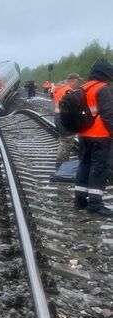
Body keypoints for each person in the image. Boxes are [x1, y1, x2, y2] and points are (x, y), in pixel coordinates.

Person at [75, 58, 113, 216]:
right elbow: (109, 115)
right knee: (99, 168)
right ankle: (95, 204)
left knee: (84, 165)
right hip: (101, 135)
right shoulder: (103, 89)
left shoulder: (84, 87)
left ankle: (80, 200)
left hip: (84, 135)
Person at [53, 73, 83, 167]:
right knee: (67, 142)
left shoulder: (60, 89)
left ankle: (61, 164)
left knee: (64, 141)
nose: (79, 84)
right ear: (73, 81)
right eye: (78, 81)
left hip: (59, 116)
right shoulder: (68, 91)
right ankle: (61, 166)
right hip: (64, 117)